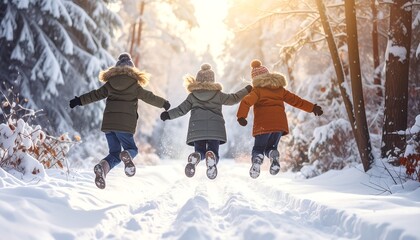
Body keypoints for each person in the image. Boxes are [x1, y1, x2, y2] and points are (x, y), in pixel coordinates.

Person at [69, 53, 170, 189]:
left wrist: (79, 100)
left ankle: (102, 168)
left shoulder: (110, 84)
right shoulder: (134, 85)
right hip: (125, 125)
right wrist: (164, 103)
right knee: (131, 149)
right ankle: (127, 154)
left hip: (109, 125)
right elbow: (149, 97)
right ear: (132, 70)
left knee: (114, 153)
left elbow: (95, 94)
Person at [160, 63, 251, 179]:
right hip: (215, 129)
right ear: (212, 80)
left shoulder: (192, 96)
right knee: (213, 151)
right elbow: (233, 98)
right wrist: (246, 90)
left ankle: (196, 156)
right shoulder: (218, 95)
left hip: (197, 129)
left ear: (198, 80)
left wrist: (168, 115)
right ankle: (212, 157)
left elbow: (181, 110)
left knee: (200, 150)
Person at [236, 59, 323, 179]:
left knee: (259, 148)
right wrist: (312, 108)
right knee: (271, 148)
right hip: (278, 126)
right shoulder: (280, 90)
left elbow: (246, 102)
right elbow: (296, 101)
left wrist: (241, 117)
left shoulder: (257, 91)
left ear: (255, 79)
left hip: (263, 125)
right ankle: (273, 154)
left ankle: (257, 160)